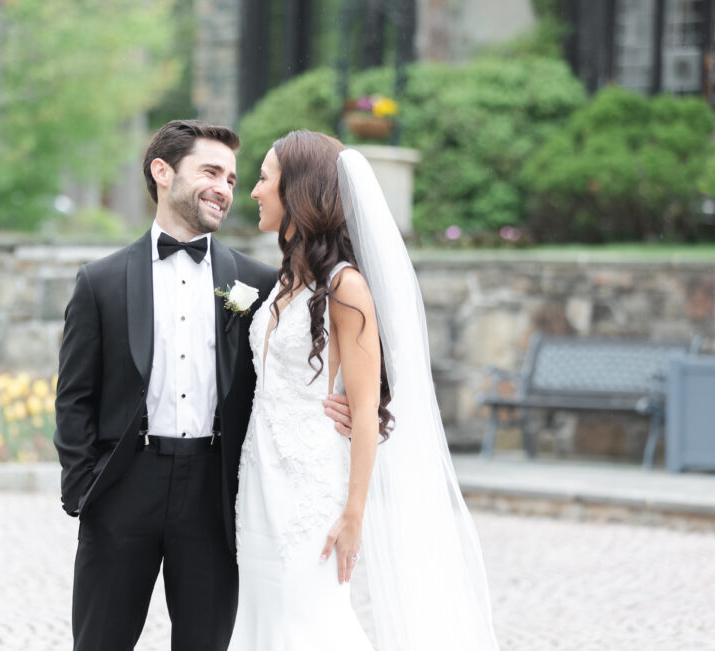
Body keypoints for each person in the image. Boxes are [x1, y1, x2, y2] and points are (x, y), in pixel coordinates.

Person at [53, 120, 353, 651]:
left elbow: (307, 364)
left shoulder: (260, 283)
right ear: (162, 172)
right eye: (211, 171)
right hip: (123, 487)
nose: (225, 188)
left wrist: (350, 405)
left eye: (234, 179)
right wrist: (85, 489)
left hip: (216, 495)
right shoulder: (99, 282)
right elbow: (74, 396)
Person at [229, 130, 499, 650]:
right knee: (262, 618)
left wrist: (354, 513)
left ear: (299, 192)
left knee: (307, 621)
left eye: (264, 179)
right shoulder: (287, 281)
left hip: (310, 491)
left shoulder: (345, 287)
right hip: (259, 481)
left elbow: (365, 406)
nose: (255, 191)